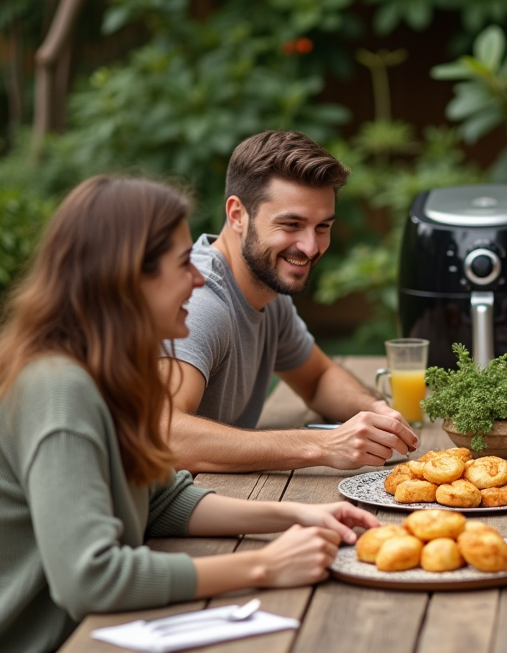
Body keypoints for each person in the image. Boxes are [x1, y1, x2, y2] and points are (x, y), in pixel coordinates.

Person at [0, 176, 378, 653]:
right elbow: (92, 579)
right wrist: (262, 568)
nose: (200, 277)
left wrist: (296, 518)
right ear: (125, 278)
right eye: (182, 264)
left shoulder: (109, 375)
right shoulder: (58, 390)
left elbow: (164, 499)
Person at [161, 130, 418, 474]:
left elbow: (317, 379)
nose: (311, 247)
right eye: (292, 224)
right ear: (237, 214)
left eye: (322, 226)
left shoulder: (268, 289)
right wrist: (323, 445)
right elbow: (164, 436)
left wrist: (373, 411)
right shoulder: (200, 304)